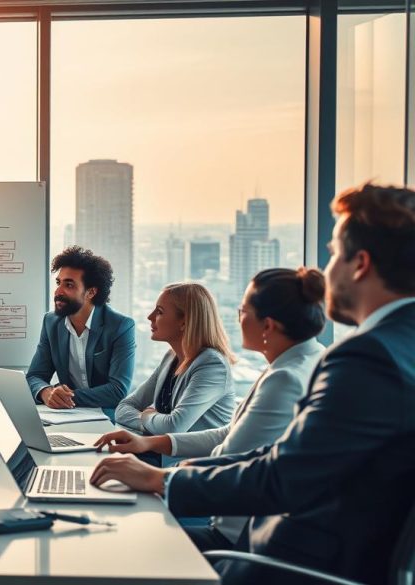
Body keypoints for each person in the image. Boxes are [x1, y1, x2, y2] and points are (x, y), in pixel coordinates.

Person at [89, 183, 415, 585]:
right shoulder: (399, 347)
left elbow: (283, 477)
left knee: (113, 550)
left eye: (332, 254)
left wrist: (161, 478)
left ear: (360, 264)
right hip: (329, 556)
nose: (326, 273)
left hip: (288, 563)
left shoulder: (368, 358)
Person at [95, 267, 327, 545]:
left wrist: (159, 477)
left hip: (237, 535)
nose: (236, 318)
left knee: (123, 538)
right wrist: (151, 444)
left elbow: (234, 457)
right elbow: (227, 435)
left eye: (242, 311)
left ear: (267, 325)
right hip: (234, 512)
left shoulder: (284, 379)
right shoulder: (301, 362)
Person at [26, 246, 136, 418]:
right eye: (58, 283)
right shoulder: (51, 322)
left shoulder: (120, 326)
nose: (58, 291)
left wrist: (64, 397)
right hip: (64, 415)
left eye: (68, 284)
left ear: (91, 292)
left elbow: (117, 390)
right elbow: (35, 376)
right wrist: (46, 392)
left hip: (104, 415)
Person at [114, 283, 236, 435]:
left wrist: (148, 417)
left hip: (192, 458)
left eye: (159, 312)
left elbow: (174, 426)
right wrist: (148, 419)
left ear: (184, 322)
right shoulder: (171, 357)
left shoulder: (212, 365)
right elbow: (123, 408)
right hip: (157, 452)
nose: (150, 317)